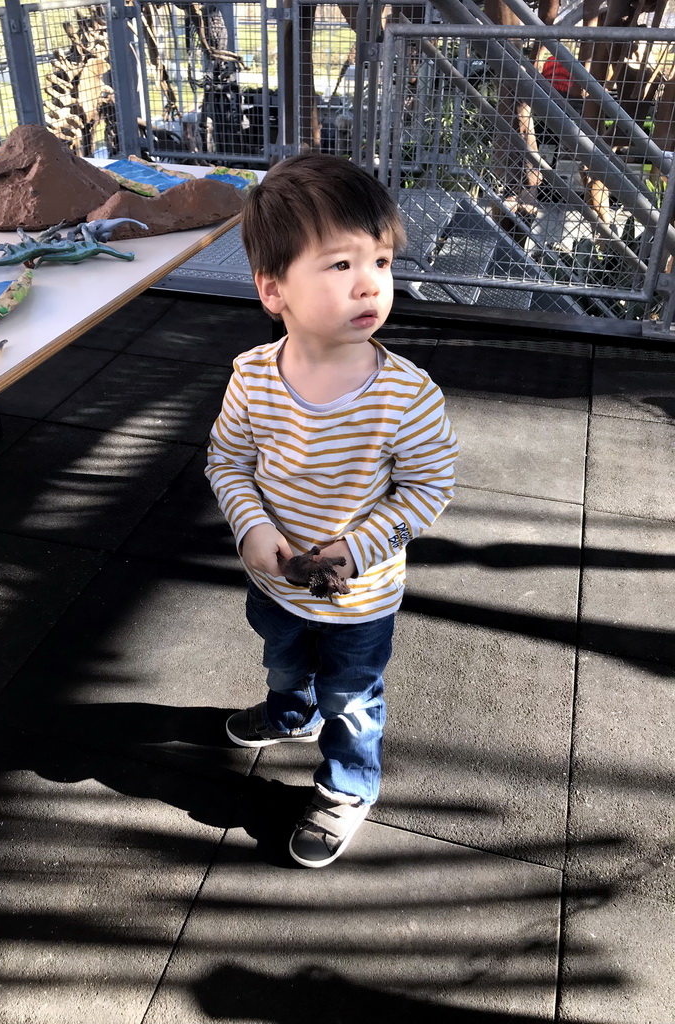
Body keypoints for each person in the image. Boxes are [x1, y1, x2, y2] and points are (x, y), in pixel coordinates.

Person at [205, 153, 459, 868]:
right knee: (282, 656)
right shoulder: (253, 379)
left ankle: (348, 785)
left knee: (351, 695)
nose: (370, 282)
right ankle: (291, 711)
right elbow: (228, 462)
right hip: (275, 581)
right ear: (272, 288)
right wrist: (253, 527)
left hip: (360, 598)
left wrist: (360, 548)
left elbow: (429, 489)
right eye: (340, 264)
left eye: (380, 260)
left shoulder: (406, 396)